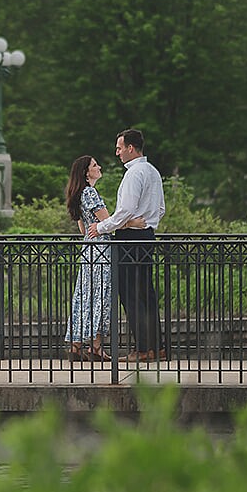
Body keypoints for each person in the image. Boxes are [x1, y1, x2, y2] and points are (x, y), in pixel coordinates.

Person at [87, 128, 166, 361]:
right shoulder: (153, 172)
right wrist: (148, 223)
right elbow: (160, 209)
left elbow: (125, 210)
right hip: (147, 235)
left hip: (130, 239)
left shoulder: (134, 174)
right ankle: (157, 348)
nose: (117, 152)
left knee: (131, 294)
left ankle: (142, 350)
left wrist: (101, 227)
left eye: (120, 148)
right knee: (146, 293)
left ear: (131, 148)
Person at [63, 155, 112, 361]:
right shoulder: (90, 193)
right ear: (86, 172)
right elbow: (107, 221)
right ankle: (96, 346)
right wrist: (131, 222)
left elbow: (83, 227)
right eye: (94, 165)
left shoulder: (79, 193)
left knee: (84, 295)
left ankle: (75, 345)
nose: (98, 167)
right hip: (101, 249)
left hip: (88, 248)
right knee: (100, 294)